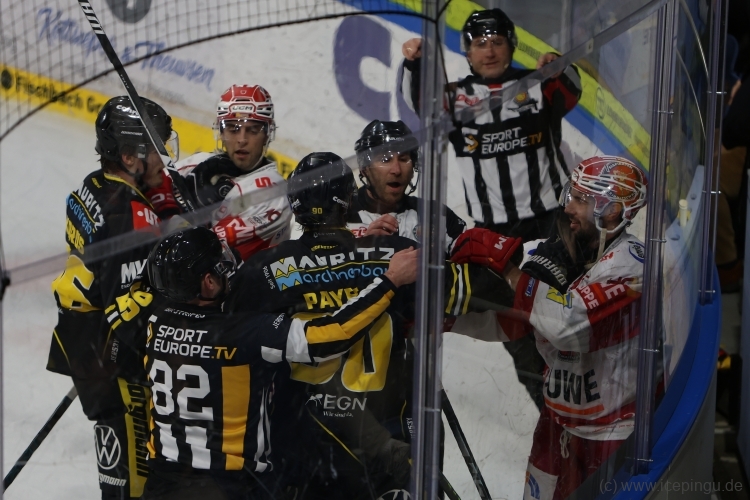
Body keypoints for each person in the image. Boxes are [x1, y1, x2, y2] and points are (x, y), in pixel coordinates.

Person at [225, 152, 517, 499]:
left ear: (294, 205)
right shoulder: (399, 254)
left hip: (299, 448)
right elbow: (494, 292)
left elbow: (223, 337)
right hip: (384, 444)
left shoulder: (264, 269)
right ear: (349, 201)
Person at [140, 226, 417, 500]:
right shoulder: (243, 332)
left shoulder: (156, 321)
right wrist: (390, 280)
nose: (228, 267)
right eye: (219, 266)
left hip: (162, 483)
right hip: (225, 486)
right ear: (208, 283)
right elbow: (331, 336)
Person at [401, 8, 583, 411]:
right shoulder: (454, 99)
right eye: (480, 43)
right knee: (517, 328)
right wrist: (414, 63)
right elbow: (419, 103)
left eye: (497, 41)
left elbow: (571, 92)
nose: (489, 50)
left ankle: (585, 403)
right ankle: (549, 412)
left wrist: (559, 66)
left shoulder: (535, 84)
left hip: (552, 223)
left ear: (511, 46)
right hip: (498, 237)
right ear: (467, 52)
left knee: (568, 311)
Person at [448, 155, 649, 500]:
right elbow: (510, 323)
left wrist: (510, 271)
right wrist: (444, 319)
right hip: (556, 425)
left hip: (613, 434)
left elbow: (569, 327)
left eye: (581, 200)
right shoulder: (566, 248)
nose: (568, 207)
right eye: (571, 194)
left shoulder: (632, 268)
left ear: (612, 210)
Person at [46, 96, 177, 499]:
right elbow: (129, 314)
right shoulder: (133, 216)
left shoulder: (94, 185)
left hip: (82, 340)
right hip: (114, 359)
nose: (163, 159)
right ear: (129, 156)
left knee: (118, 475)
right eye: (155, 149)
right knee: (135, 483)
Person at [148, 84, 292, 261]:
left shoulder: (273, 193)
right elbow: (147, 189)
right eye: (233, 129)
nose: (242, 140)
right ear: (221, 132)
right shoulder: (199, 163)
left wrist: (191, 210)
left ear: (267, 134)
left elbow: (199, 252)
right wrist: (169, 202)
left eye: (253, 130)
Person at [347, 119, 467, 254]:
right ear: (364, 168)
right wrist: (362, 246)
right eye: (385, 160)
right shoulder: (340, 215)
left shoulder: (437, 215)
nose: (397, 170)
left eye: (403, 159)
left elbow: (467, 261)